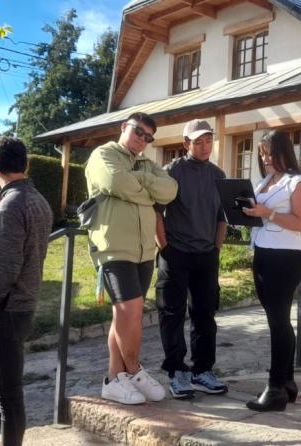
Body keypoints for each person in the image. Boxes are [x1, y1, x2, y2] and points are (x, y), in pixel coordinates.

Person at [85, 112, 178, 405]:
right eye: (138, 132)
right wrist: (148, 189)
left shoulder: (147, 164)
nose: (142, 140)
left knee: (122, 315)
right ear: (124, 128)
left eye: (149, 137)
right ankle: (134, 370)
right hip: (114, 246)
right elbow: (115, 181)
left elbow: (170, 191)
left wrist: (138, 183)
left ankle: (114, 378)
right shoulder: (103, 155)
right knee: (131, 310)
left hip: (144, 251)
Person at [0, 137, 53, 446]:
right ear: (26, 164)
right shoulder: (38, 200)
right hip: (22, 304)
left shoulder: (9, 205)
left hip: (4, 309)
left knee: (7, 395)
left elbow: (6, 266)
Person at [241, 130, 301, 412]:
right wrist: (245, 213)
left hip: (286, 257)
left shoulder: (299, 183)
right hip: (263, 253)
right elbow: (259, 213)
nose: (266, 158)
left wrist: (266, 213)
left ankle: (275, 388)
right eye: (262, 153)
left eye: (270, 153)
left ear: (285, 152)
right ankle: (287, 383)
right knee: (278, 319)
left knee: (278, 321)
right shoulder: (264, 183)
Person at [154, 119, 228, 399]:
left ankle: (202, 370)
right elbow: (156, 213)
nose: (204, 146)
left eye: (208, 140)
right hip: (176, 255)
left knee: (205, 316)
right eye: (198, 141)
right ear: (186, 144)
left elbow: (222, 218)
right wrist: (164, 247)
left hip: (206, 255)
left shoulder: (219, 175)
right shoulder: (171, 172)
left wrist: (216, 249)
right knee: (172, 315)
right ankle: (177, 372)